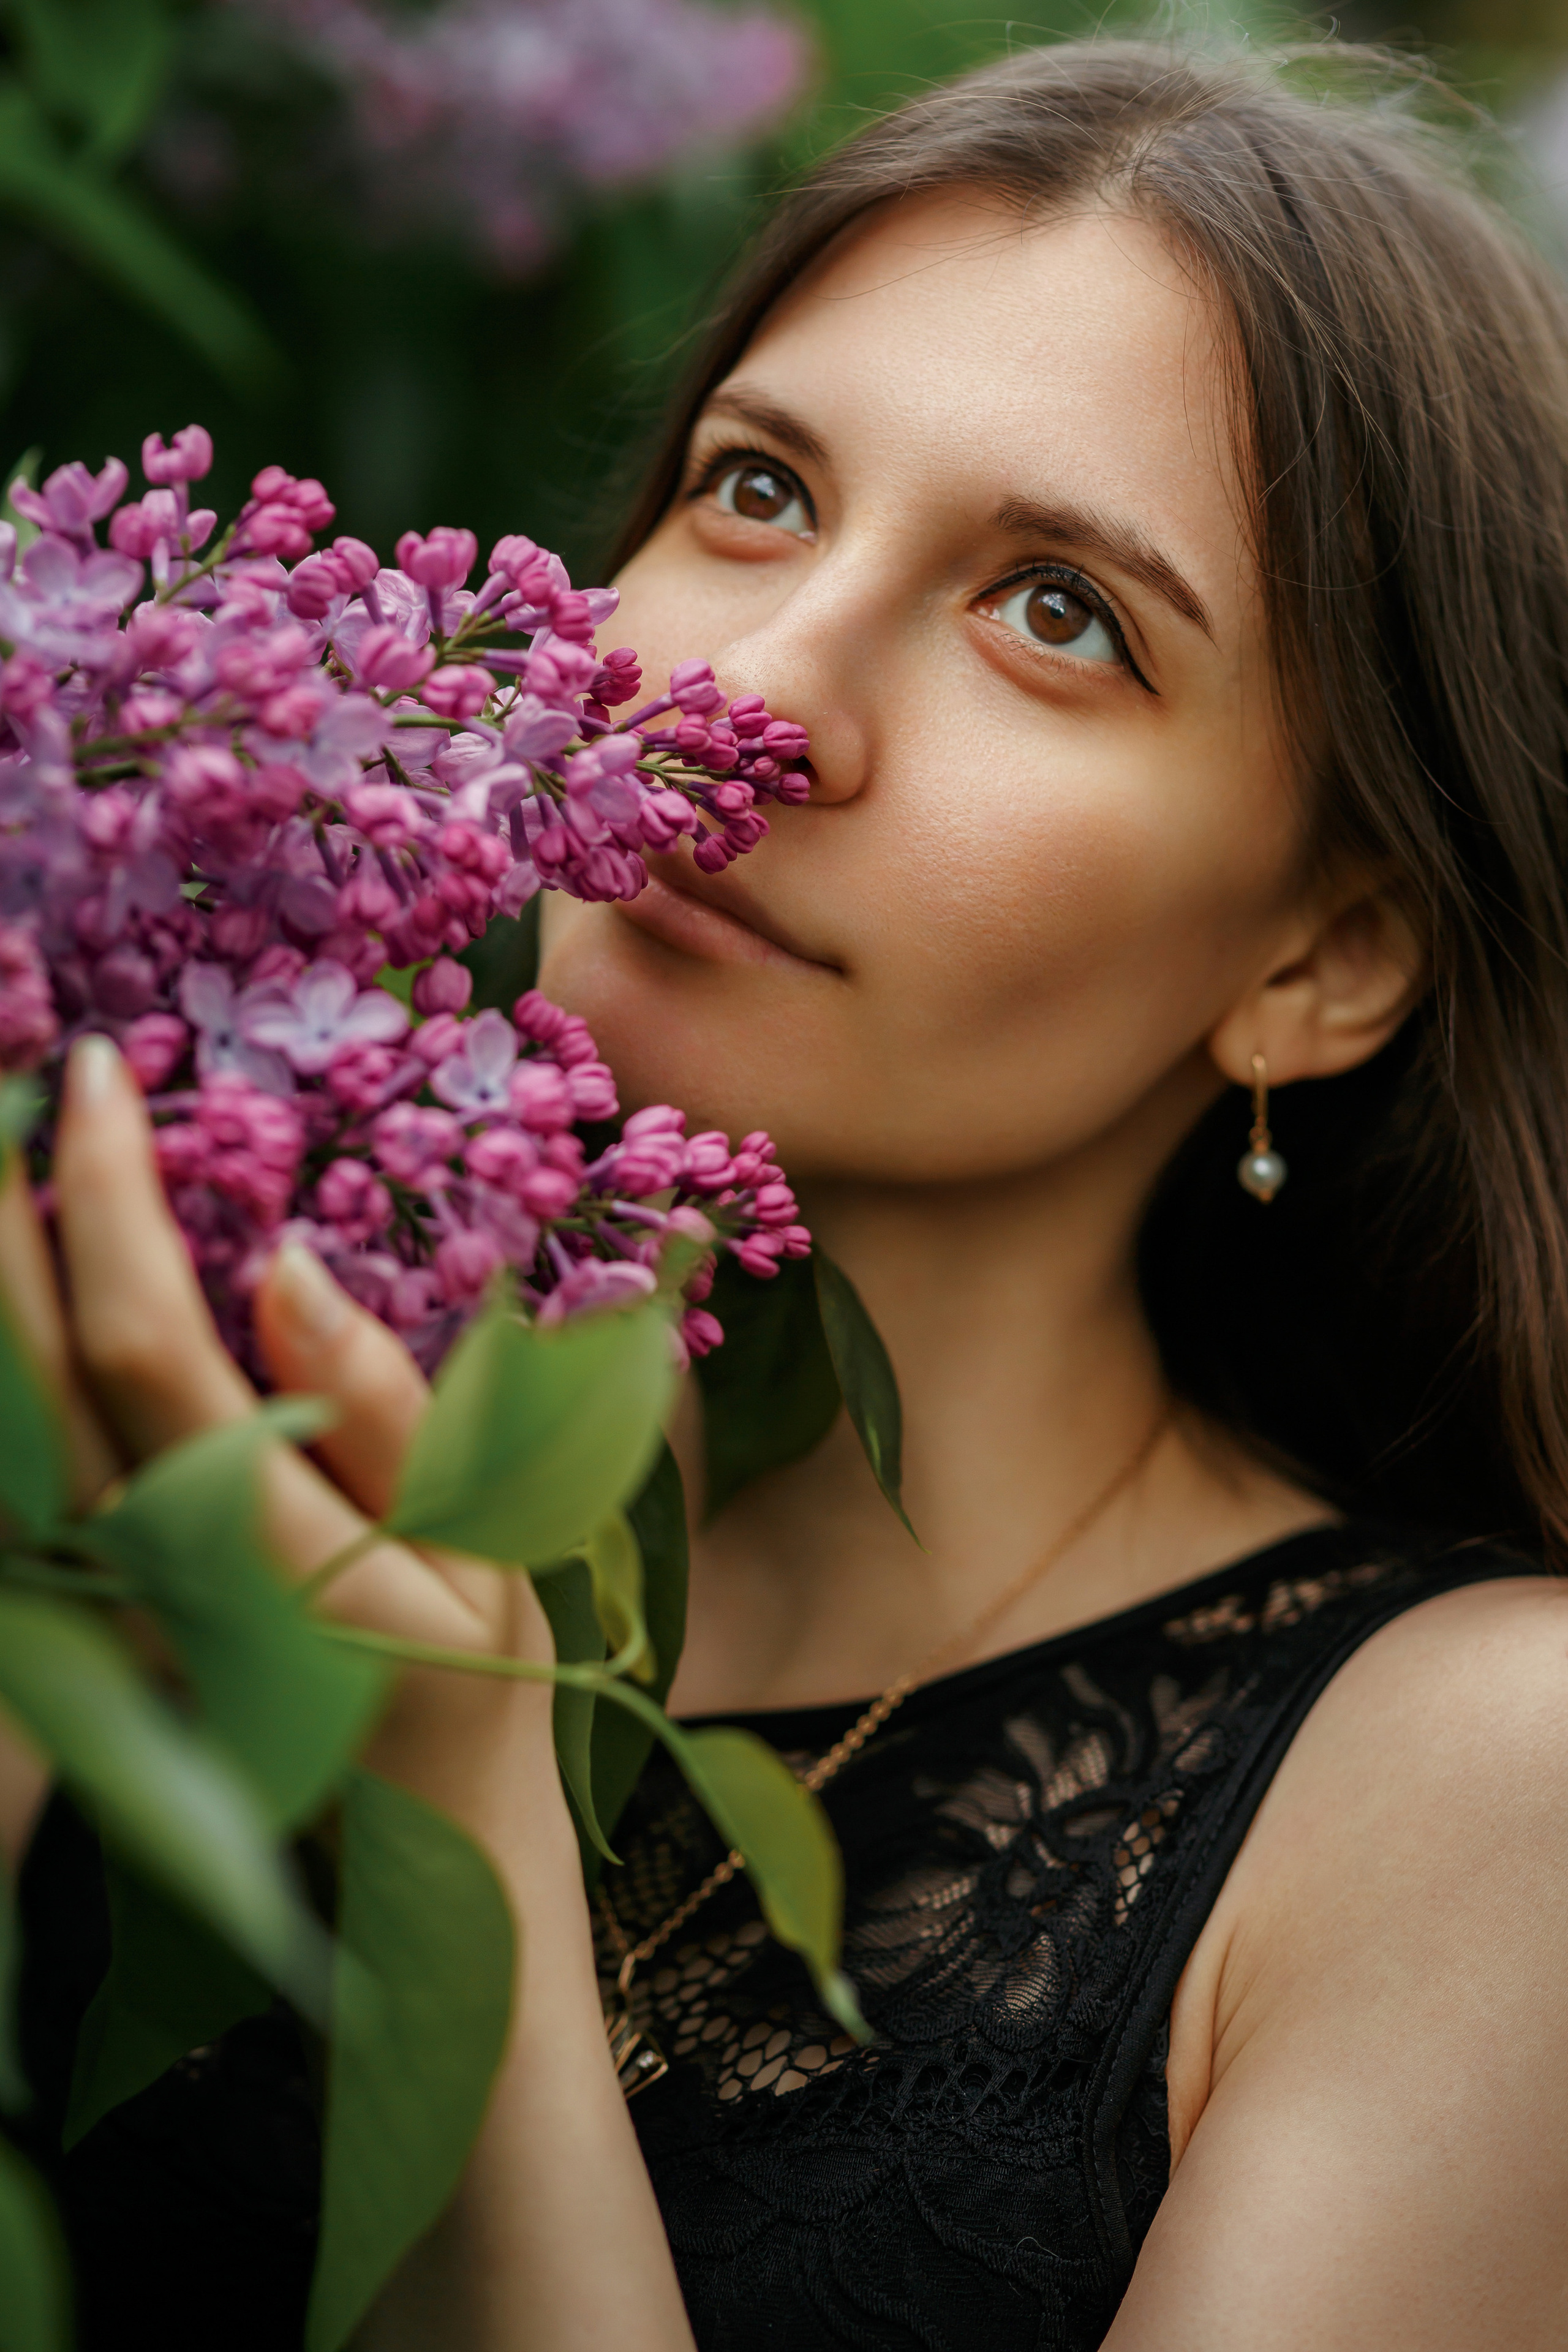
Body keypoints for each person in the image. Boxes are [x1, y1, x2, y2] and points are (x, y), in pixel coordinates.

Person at [6, 32, 1568, 2350]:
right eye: (756, 491)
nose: (763, 693)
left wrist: (459, 1827)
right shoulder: (140, 1352)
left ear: (1318, 960)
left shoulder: (1483, 1793)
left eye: (1061, 615)